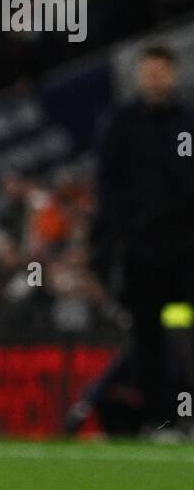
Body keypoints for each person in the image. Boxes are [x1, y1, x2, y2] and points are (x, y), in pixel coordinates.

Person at [68, 45, 194, 436]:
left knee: (183, 332)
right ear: (140, 76)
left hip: (188, 249)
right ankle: (162, 421)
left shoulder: (188, 121)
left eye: (161, 72)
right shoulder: (121, 124)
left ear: (172, 75)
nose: (155, 79)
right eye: (149, 72)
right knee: (147, 338)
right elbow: (107, 190)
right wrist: (107, 248)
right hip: (142, 252)